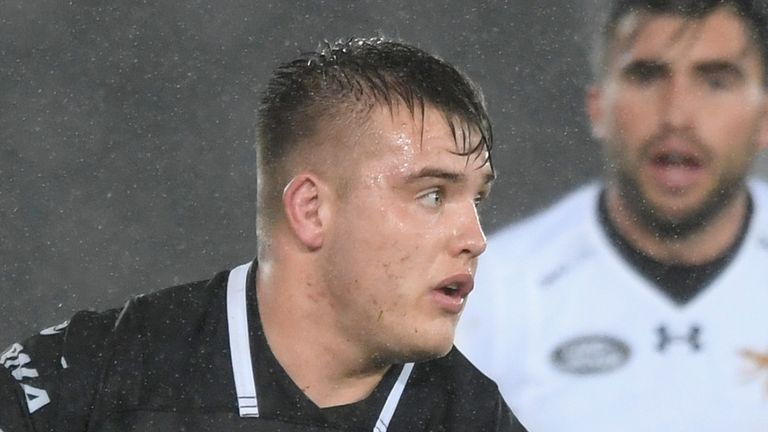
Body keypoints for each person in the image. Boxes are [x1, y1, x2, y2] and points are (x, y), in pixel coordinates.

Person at [0, 37, 527, 431]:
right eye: (433, 194)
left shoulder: (476, 418)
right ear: (311, 209)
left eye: (476, 199)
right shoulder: (87, 380)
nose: (475, 238)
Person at [456, 0, 768, 430]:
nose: (677, 116)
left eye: (715, 82)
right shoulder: (491, 297)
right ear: (598, 107)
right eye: (646, 76)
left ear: (765, 115)